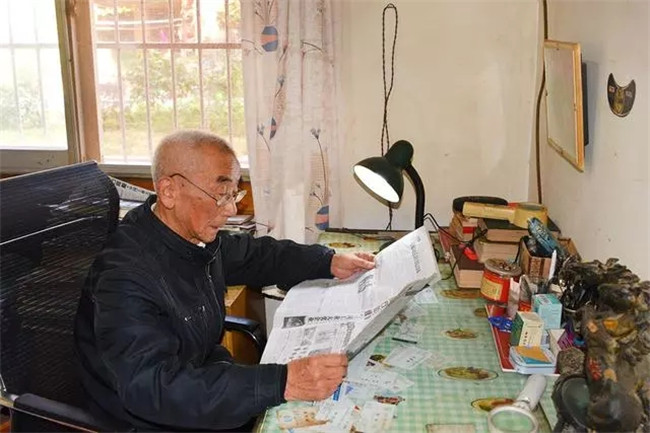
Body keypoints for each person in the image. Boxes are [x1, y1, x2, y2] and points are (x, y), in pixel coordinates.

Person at [74, 130, 375, 432]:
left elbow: (257, 256)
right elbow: (152, 388)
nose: (231, 209)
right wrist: (283, 381)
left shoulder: (193, 239)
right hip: (152, 418)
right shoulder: (123, 276)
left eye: (234, 195)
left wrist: (327, 261)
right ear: (169, 192)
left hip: (202, 384)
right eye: (220, 194)